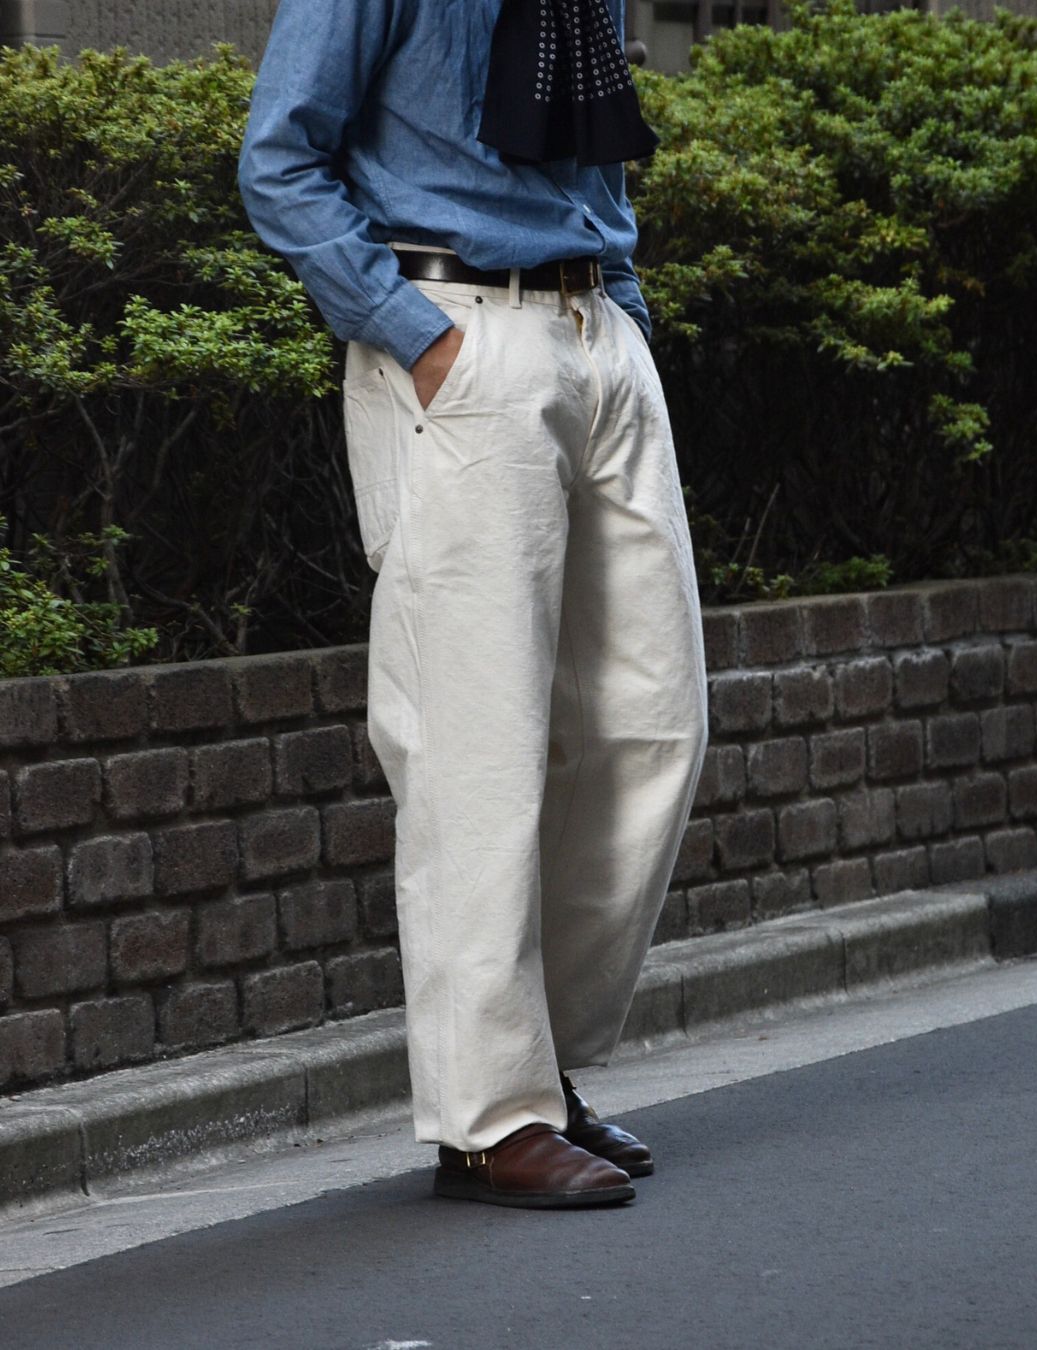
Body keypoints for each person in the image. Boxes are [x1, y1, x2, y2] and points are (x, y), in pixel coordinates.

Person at [239, 0, 708, 1210]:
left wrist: (626, 315)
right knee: (476, 747)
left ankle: (537, 1065)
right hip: (455, 335)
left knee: (650, 724)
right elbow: (279, 157)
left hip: (595, 334)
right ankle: (491, 1115)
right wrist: (409, 332)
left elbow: (588, 147)